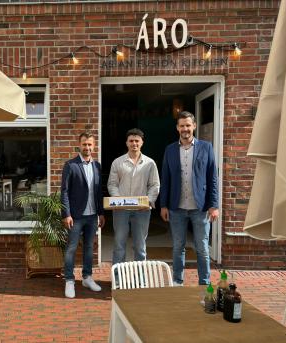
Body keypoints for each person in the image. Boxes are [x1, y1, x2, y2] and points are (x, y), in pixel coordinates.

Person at [160, 111, 219, 286]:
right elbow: (166, 179)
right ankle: (178, 281)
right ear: (177, 128)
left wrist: (214, 205)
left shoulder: (206, 147)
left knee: (202, 248)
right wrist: (163, 205)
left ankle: (204, 282)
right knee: (178, 247)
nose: (185, 128)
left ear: (194, 126)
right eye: (182, 125)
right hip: (176, 207)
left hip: (200, 208)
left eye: (188, 125)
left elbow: (212, 178)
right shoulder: (170, 149)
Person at [61, 131, 105, 299]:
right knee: (71, 248)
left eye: (90, 144)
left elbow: (98, 191)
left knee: (88, 248)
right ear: (79, 145)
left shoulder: (97, 166)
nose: (87, 147)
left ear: (94, 146)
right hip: (76, 216)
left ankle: (87, 277)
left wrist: (101, 213)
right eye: (84, 144)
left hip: (92, 215)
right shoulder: (71, 165)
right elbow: (64, 192)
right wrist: (67, 214)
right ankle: (70, 280)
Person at [107, 128, 160, 266]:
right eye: (131, 141)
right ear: (126, 143)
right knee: (119, 246)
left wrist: (148, 201)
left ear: (142, 142)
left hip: (142, 211)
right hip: (121, 210)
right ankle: (119, 279)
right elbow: (112, 184)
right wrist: (119, 201)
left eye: (137, 141)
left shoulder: (150, 163)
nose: (134, 144)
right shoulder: (117, 162)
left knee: (140, 247)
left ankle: (139, 280)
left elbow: (154, 185)